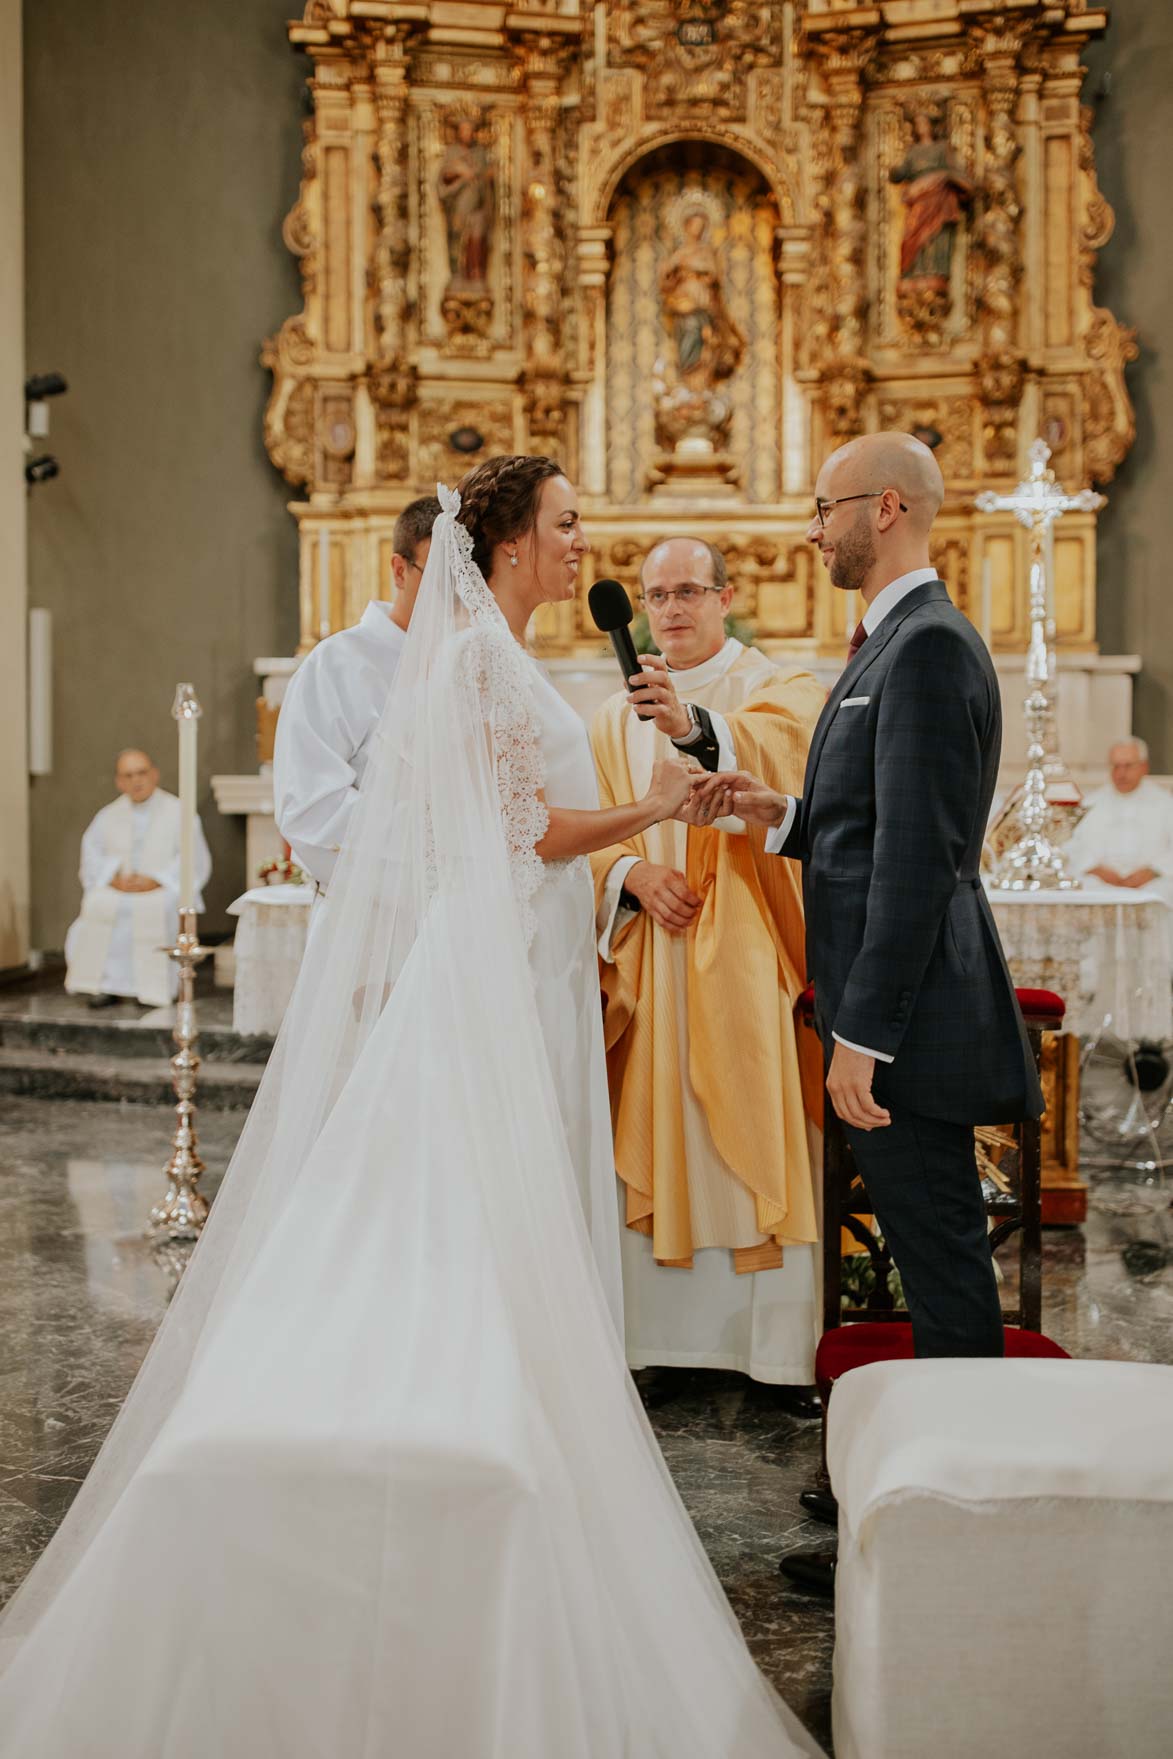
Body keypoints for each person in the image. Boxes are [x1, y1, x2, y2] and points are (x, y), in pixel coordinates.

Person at [0, 460, 818, 1758]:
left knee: (475, 1200)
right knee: (474, 1197)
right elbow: (522, 831)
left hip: (516, 958)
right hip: (499, 960)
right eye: (563, 527)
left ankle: (504, 1422)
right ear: (503, 542)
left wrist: (653, 802)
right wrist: (650, 808)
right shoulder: (481, 663)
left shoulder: (483, 650)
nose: (578, 543)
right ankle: (468, 1430)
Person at [692, 431, 1042, 1365]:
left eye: (823, 509)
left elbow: (919, 861)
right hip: (898, 1012)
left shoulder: (924, 645)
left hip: (907, 1024)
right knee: (932, 1248)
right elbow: (879, 822)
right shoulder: (896, 636)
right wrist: (786, 816)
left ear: (884, 509)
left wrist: (864, 1038)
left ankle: (959, 1474)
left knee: (941, 1257)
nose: (812, 533)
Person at [590, 536, 825, 1399]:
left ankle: (767, 1350)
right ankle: (658, 1341)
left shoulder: (773, 686)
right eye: (656, 595)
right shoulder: (611, 714)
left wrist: (692, 728)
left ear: (726, 598)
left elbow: (793, 754)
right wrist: (629, 875)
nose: (672, 608)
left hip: (749, 948)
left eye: (689, 590)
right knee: (653, 1123)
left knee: (753, 1131)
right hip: (650, 950)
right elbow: (579, 827)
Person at [273, 495, 440, 893]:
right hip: (373, 908)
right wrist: (436, 846)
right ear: (400, 570)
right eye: (438, 578)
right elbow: (311, 809)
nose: (452, 595)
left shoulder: (474, 662)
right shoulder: (337, 664)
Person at [64, 748, 211, 1009]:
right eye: (128, 775)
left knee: (159, 907)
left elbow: (192, 858)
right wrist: (113, 878)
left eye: (141, 772)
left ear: (154, 774)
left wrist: (157, 879)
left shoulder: (179, 811)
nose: (136, 780)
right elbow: (92, 856)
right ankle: (105, 986)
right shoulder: (108, 815)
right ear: (119, 782)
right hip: (121, 887)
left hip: (162, 889)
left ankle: (154, 988)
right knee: (99, 904)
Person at [1064, 737, 1173, 908]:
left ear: (1144, 767)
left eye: (1128, 766)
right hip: (1101, 882)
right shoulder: (1091, 803)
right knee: (1082, 888)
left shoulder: (1166, 803)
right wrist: (1096, 869)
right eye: (1115, 766)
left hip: (1151, 883)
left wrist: (1153, 871)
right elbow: (1072, 845)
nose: (1121, 773)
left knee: (1163, 894)